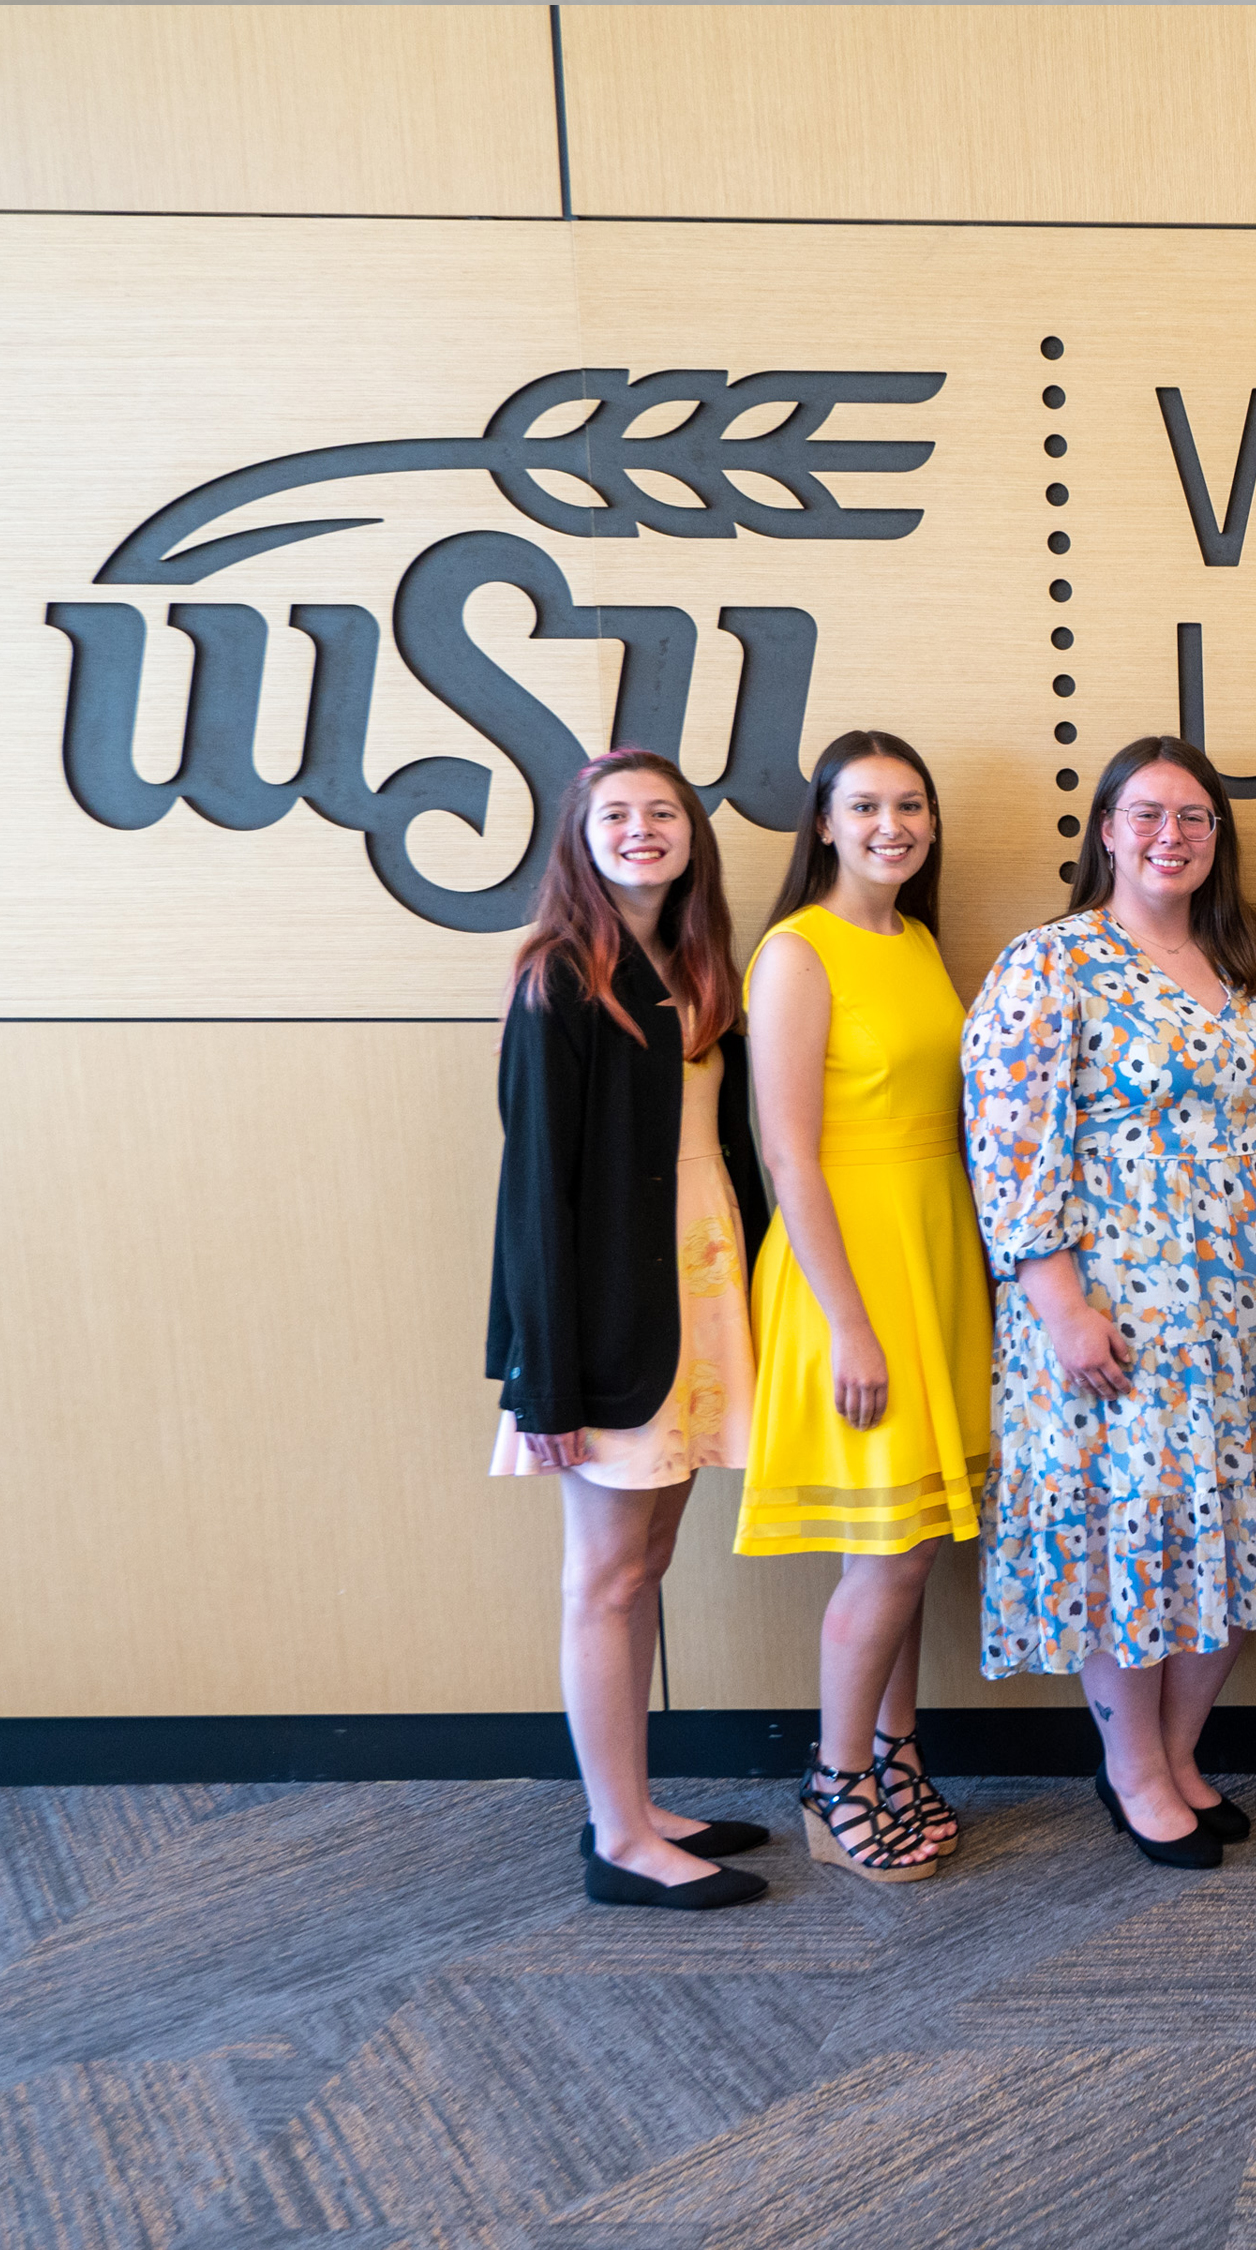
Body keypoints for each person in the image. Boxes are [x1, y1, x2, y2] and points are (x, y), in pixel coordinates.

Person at [964, 736, 1256, 1872]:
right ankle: (1131, 1772)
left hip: (1253, 1315)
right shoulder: (1051, 964)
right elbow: (1010, 1146)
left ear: (1219, 838)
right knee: (1138, 1535)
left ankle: (1172, 1754)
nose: (1172, 836)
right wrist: (1059, 1306)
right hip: (1115, 1314)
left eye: (1195, 818)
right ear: (1108, 832)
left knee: (1235, 1530)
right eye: (1147, 814)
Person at [490, 750, 774, 1911]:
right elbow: (533, 1194)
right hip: (606, 1319)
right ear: (580, 837)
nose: (643, 830)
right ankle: (617, 1840)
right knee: (606, 1578)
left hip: (699, 1300)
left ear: (694, 838)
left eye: (664, 812)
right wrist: (541, 1384)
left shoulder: (699, 967)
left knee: (647, 1561)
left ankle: (639, 1801)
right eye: (617, 815)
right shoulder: (560, 975)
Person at [741, 730, 991, 1885]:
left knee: (916, 1541)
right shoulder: (799, 952)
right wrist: (847, 1321)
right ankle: (834, 1780)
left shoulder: (919, 942)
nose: (892, 825)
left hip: (930, 1253)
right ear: (826, 825)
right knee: (883, 1556)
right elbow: (789, 1158)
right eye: (866, 806)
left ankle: (895, 1754)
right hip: (849, 1272)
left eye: (911, 805)